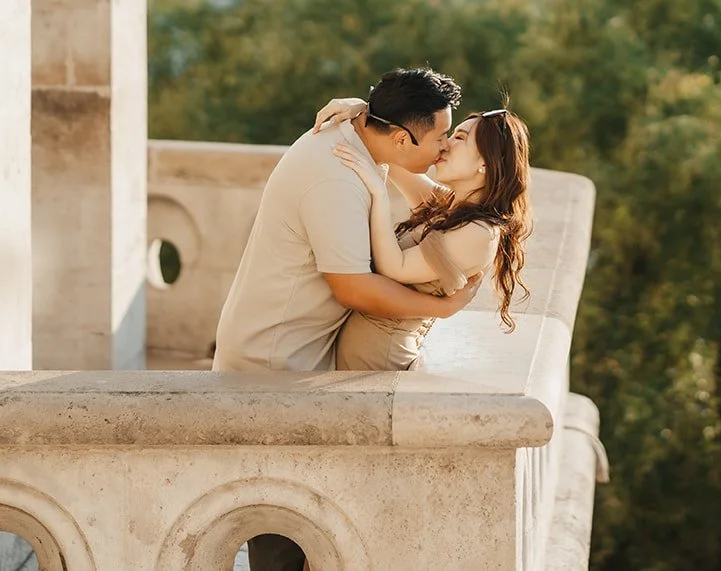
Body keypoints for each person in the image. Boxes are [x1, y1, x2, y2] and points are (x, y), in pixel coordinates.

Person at [213, 68, 480, 571]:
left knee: (314, 521)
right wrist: (441, 308)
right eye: (441, 137)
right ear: (402, 137)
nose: (444, 149)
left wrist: (360, 105)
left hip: (302, 355)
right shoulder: (335, 175)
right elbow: (354, 287)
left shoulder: (358, 138)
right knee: (280, 527)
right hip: (274, 362)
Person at [313, 97, 533, 371]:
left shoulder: (479, 234)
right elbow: (389, 152)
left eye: (459, 138)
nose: (445, 144)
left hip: (379, 361)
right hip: (361, 355)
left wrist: (378, 194)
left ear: (486, 163)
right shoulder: (447, 205)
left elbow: (394, 268)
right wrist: (363, 109)